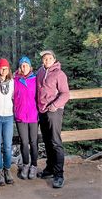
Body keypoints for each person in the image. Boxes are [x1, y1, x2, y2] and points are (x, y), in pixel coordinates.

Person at [37, 50, 70, 188]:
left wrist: (54, 105)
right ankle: (50, 168)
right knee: (47, 140)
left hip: (54, 111)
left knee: (56, 142)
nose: (47, 60)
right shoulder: (40, 72)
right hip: (42, 111)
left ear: (54, 59)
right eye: (45, 58)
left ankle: (59, 175)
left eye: (49, 58)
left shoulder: (59, 74)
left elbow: (65, 94)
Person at [14, 56, 38, 180]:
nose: (24, 67)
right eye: (22, 65)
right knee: (24, 142)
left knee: (33, 142)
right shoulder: (15, 79)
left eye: (26, 65)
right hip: (20, 116)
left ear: (30, 67)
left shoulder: (35, 79)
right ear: (19, 67)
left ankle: (34, 165)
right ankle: (26, 164)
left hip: (33, 115)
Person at [0, 58, 14, 186]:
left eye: (6, 68)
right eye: (1, 68)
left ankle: (7, 169)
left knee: (8, 145)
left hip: (9, 117)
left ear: (8, 69)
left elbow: (16, 97)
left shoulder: (13, 82)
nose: (4, 70)